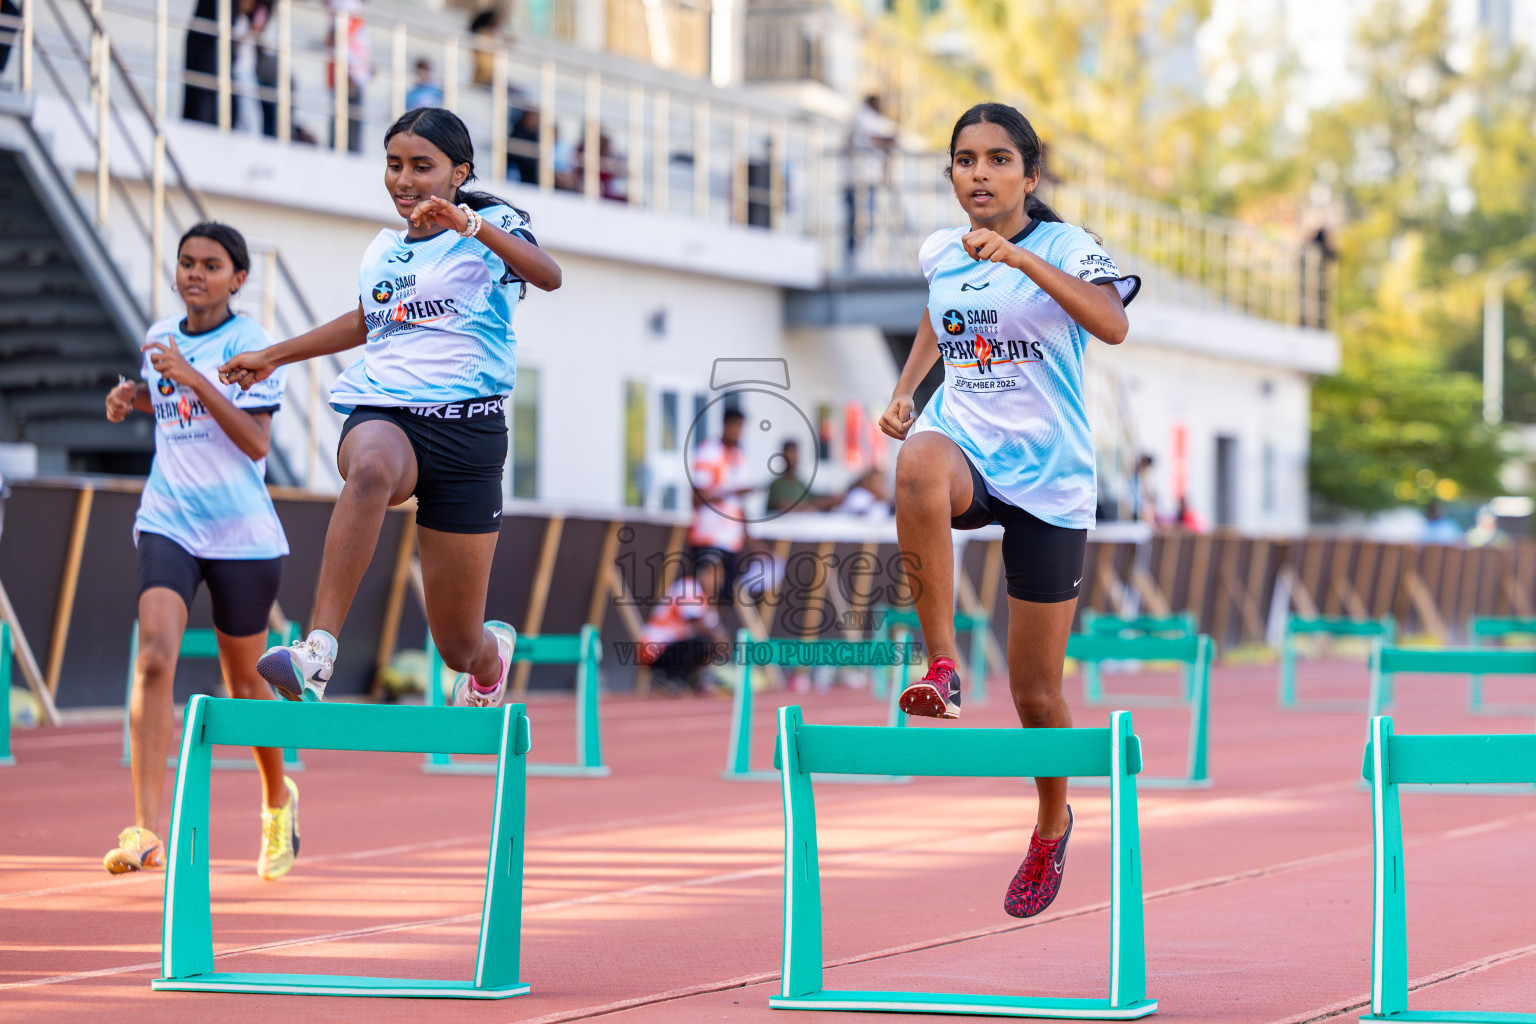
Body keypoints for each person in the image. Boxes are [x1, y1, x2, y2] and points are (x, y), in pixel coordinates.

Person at [878, 103, 1139, 921]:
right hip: (970, 447)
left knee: (1036, 695)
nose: (979, 174)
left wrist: (1024, 263)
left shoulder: (1065, 247)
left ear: (1030, 175)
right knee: (917, 455)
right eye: (964, 160)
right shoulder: (941, 251)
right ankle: (942, 666)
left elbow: (1113, 323)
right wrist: (909, 388)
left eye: (997, 160)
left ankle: (1052, 819)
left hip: (1049, 479)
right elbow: (937, 308)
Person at [219, 107, 561, 710]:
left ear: (459, 173)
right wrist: (275, 354)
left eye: (421, 167)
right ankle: (317, 652)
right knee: (371, 467)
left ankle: (490, 658)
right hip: (388, 412)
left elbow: (549, 276)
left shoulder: (491, 224)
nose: (403, 181)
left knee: (456, 644)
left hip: (470, 433)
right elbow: (368, 319)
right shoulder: (383, 252)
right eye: (393, 166)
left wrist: (468, 226)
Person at [101, 222, 298, 880]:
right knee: (155, 658)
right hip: (170, 518)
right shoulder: (158, 336)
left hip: (242, 533)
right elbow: (164, 398)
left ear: (237, 278)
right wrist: (134, 397)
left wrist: (190, 377)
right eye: (187, 262)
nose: (195, 273)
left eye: (211, 265)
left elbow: (256, 443)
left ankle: (276, 797)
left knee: (245, 685)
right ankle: (145, 829)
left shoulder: (249, 343)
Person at [688, 408, 753, 600]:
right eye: (734, 426)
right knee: (705, 593)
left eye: (740, 427)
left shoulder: (739, 457)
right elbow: (696, 499)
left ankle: (714, 630)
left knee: (724, 596)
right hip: (708, 536)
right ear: (725, 425)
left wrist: (748, 535)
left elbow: (740, 504)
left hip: (731, 538)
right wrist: (731, 492)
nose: (737, 432)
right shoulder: (709, 452)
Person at [639, 555, 727, 695]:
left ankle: (692, 681)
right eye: (716, 575)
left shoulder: (706, 598)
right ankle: (667, 678)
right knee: (704, 641)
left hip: (673, 646)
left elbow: (721, 640)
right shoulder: (688, 587)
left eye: (721, 576)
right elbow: (702, 626)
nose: (720, 581)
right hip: (655, 649)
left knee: (707, 642)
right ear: (703, 574)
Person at [844, 94, 896, 267]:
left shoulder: (865, 118)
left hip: (865, 178)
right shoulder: (864, 117)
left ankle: (859, 257)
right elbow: (871, 138)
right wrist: (891, 140)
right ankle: (855, 259)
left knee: (864, 220)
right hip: (860, 179)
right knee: (860, 220)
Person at [326, 0, 373, 153]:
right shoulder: (347, 6)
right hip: (350, 75)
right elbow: (337, 39)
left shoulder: (352, 9)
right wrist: (347, 71)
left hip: (355, 74)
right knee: (346, 124)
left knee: (349, 124)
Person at [765, 440, 838, 513]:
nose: (792, 457)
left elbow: (815, 497)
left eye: (794, 453)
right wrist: (813, 505)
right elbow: (785, 507)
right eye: (789, 453)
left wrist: (832, 499)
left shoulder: (800, 484)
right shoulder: (776, 485)